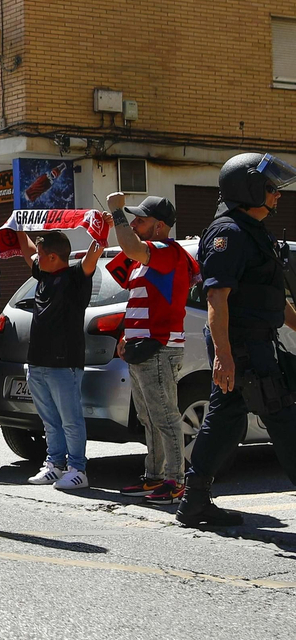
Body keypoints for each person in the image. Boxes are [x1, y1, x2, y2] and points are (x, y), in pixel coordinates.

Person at [179, 153, 296, 527]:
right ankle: (193, 500)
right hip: (243, 347)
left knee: (226, 420)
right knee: (282, 416)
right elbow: (217, 298)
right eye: (270, 188)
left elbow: (274, 296)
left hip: (256, 342)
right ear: (247, 189)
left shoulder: (253, 231)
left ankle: (194, 501)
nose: (277, 195)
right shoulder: (228, 233)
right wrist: (224, 356)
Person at [105, 193, 199, 504]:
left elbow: (130, 246)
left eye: (140, 220)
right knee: (148, 417)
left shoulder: (167, 251)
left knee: (165, 416)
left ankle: (175, 481)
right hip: (141, 347)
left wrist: (117, 213)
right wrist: (125, 336)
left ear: (159, 227)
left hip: (159, 347)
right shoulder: (145, 258)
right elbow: (124, 279)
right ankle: (155, 476)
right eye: (132, 218)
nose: (134, 223)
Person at [14, 228, 102, 490]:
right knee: (50, 420)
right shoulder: (43, 273)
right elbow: (27, 249)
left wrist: (103, 226)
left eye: (41, 254)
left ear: (53, 256)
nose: (36, 258)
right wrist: (17, 223)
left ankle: (78, 469)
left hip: (64, 364)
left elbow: (94, 253)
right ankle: (55, 464)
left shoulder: (76, 276)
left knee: (70, 419)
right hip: (38, 362)